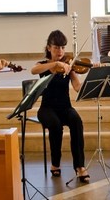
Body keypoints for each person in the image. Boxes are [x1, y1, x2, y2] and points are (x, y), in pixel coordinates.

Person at [30, 30, 90, 183]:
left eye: (63, 48)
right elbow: (33, 70)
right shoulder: (43, 65)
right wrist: (55, 64)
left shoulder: (69, 66)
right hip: (47, 109)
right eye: (56, 47)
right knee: (56, 126)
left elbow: (77, 86)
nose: (60, 51)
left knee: (77, 121)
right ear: (49, 47)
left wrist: (92, 75)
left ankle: (80, 167)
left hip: (65, 107)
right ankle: (55, 164)